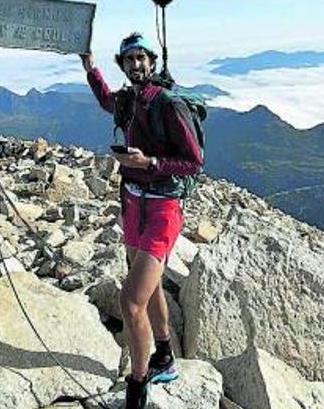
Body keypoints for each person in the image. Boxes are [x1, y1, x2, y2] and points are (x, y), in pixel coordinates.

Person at [80, 32, 203, 408]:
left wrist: (149, 163)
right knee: (148, 290)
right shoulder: (129, 99)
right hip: (134, 202)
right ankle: (164, 354)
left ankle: (138, 384)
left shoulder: (166, 104)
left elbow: (194, 160)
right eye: (128, 60)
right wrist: (89, 67)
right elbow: (106, 101)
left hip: (163, 207)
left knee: (131, 302)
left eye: (140, 58)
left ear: (151, 60)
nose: (135, 65)